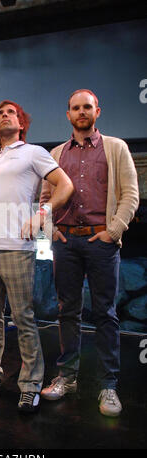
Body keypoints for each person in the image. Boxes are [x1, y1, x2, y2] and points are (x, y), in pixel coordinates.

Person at [0, 100, 74, 413]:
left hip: (17, 249)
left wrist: (42, 212)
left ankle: (29, 386)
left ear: (22, 122)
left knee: (24, 318)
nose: (4, 116)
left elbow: (65, 185)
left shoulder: (34, 153)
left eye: (10, 112)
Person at [40, 89, 139, 417]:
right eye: (75, 108)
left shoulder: (116, 148)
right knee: (67, 312)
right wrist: (50, 229)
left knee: (106, 314)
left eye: (87, 107)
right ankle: (67, 378)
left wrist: (113, 231)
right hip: (65, 242)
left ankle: (108, 385)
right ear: (68, 114)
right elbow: (44, 198)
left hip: (101, 244)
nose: (81, 112)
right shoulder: (55, 153)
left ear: (98, 111)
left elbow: (131, 196)